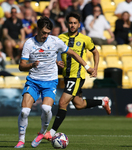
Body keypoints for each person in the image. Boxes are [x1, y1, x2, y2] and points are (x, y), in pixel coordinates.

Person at [14, 16, 94, 148]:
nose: (45, 35)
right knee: (24, 112)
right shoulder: (29, 43)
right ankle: (21, 140)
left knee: (46, 109)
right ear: (38, 30)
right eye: (43, 32)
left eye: (48, 33)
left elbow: (73, 53)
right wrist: (31, 65)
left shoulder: (55, 41)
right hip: (33, 81)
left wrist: (87, 67)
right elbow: (21, 66)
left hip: (50, 81)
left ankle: (41, 132)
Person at [43, 12, 111, 142]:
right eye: (70, 23)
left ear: (79, 24)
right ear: (67, 24)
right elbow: (53, 52)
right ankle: (103, 102)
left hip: (77, 76)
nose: (72, 25)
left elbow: (95, 52)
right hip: (66, 76)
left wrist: (95, 68)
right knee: (79, 105)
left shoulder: (85, 39)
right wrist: (57, 61)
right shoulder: (60, 38)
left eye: (75, 23)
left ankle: (51, 133)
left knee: (62, 102)